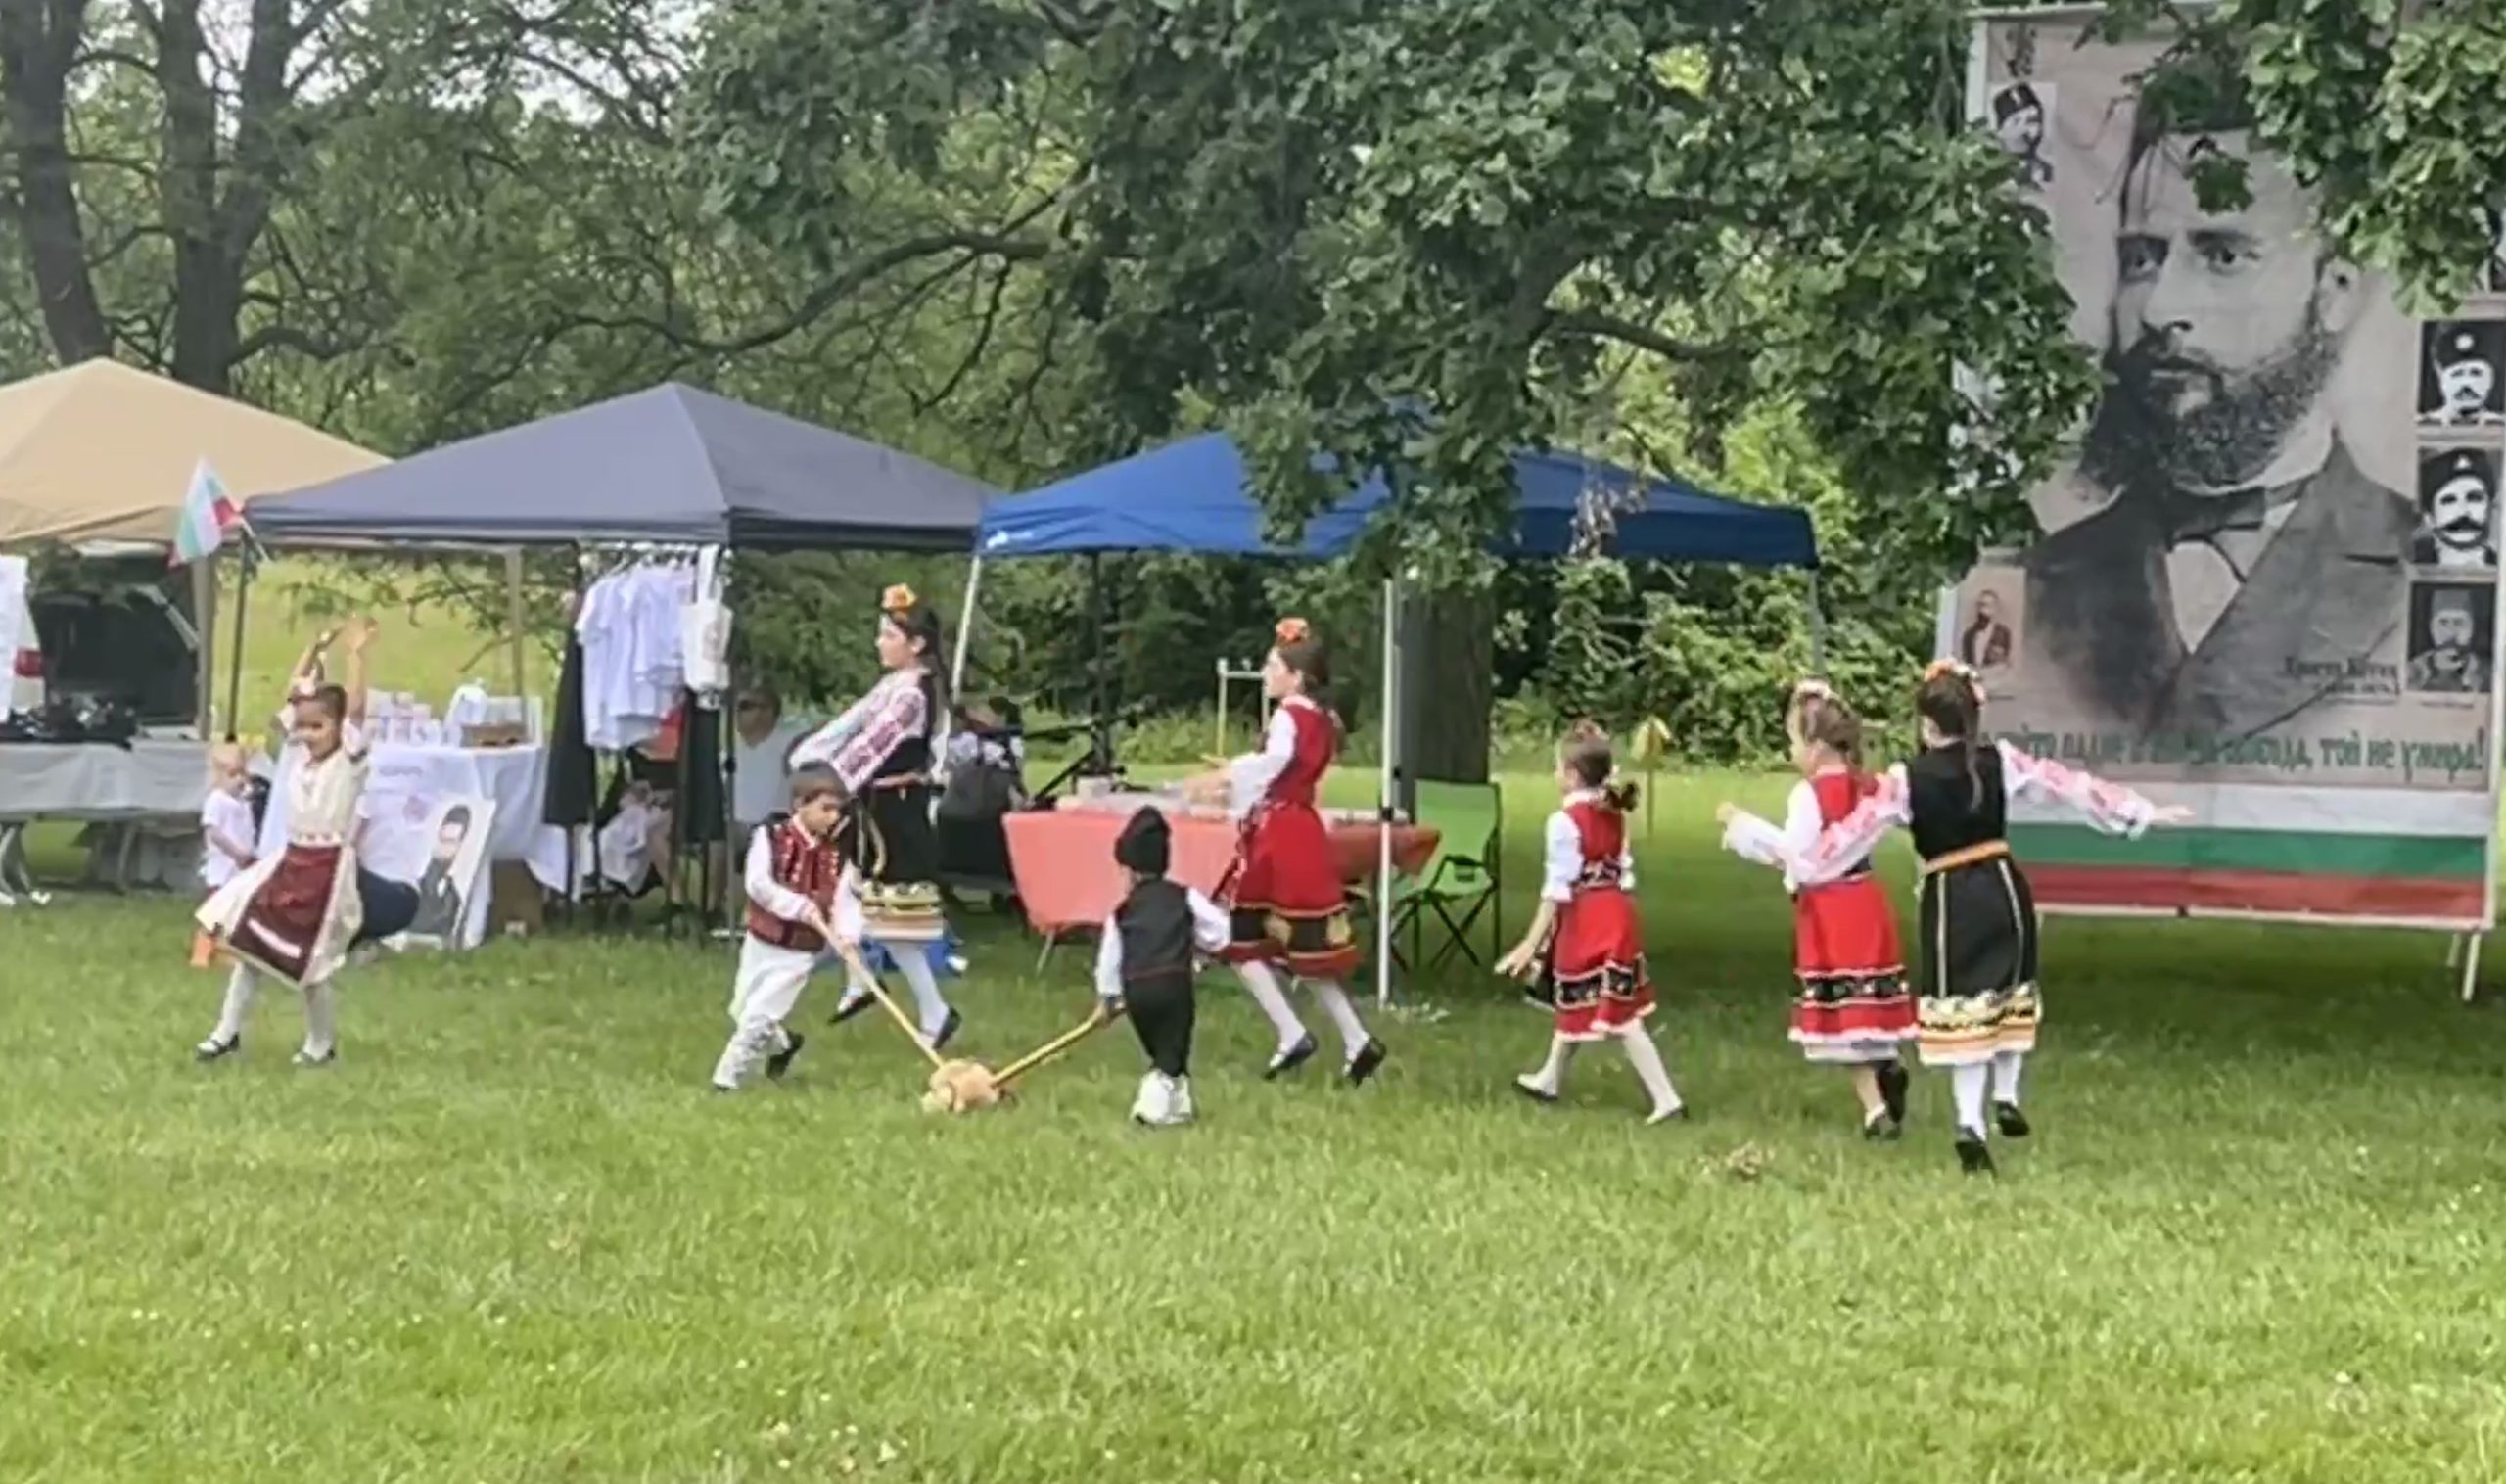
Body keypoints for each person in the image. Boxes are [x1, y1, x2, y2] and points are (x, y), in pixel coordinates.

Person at [2019, 113, 2414, 746]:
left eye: (2223, 256)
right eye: (2142, 260)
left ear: (2335, 290)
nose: (2159, 308)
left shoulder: (2421, 564)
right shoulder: (2048, 575)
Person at [1774, 662, 2186, 1175]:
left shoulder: (1907, 779)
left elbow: (1853, 833)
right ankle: (2005, 1095)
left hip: (1951, 896)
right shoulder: (2000, 761)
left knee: (1962, 1008)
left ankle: (1970, 1123)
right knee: (2010, 994)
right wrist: (2139, 811)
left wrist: (1802, 864)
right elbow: (2066, 786)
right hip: (2003, 885)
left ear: (1927, 723)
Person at [194, 621, 416, 1066]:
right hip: (291, 861)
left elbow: (355, 708)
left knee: (312, 961)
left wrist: (355, 655)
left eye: (318, 727)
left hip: (327, 869)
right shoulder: (299, 753)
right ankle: (226, 1033)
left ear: (336, 727)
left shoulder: (348, 759)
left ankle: (321, 1043)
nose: (309, 734)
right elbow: (294, 693)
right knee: (249, 943)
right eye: (304, 727)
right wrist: (313, 649)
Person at [1184, 618, 1386, 1084]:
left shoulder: (1288, 716)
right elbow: (1289, 768)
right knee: (1305, 946)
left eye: (1272, 666)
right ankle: (1355, 1040)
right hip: (1300, 830)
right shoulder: (1321, 718)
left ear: (1296, 677)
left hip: (1279, 836)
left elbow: (1273, 764)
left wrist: (1227, 775)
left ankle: (1294, 1033)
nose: (1265, 672)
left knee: (1242, 938)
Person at [1718, 682, 1914, 1139]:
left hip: (1831, 911)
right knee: (1869, 997)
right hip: (1867, 898)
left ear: (1816, 746)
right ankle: (1888, 1061)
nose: (1790, 752)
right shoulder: (1870, 786)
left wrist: (1741, 825)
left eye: (1793, 741)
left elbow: (1798, 854)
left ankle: (1874, 1110)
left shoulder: (1808, 795)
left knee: (1842, 1009)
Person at [794, 584, 963, 1049]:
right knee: (849, 893)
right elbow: (852, 722)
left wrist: (827, 781)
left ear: (917, 644)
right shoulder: (896, 686)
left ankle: (930, 1009)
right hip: (878, 808)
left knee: (891, 920)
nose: (879, 643)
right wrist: (811, 752)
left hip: (896, 814)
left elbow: (873, 745)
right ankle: (861, 980)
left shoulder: (913, 695)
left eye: (889, 635)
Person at [1495, 723, 1684, 1123]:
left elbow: (1557, 888)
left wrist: (1530, 943)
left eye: (1557, 768)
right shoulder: (1613, 813)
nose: (1554, 775)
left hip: (1589, 921)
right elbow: (1623, 872)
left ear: (1571, 775)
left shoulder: (1563, 822)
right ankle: (1550, 1077)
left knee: (1621, 1016)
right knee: (1580, 998)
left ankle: (1666, 1097)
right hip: (1616, 912)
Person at [712, 765, 865, 1092]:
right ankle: (784, 1044)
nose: (833, 818)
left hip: (799, 951)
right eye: (825, 809)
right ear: (799, 804)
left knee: (759, 1017)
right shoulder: (770, 837)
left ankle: (725, 1081)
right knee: (741, 1010)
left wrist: (848, 938)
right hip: (761, 939)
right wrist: (798, 906)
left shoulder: (839, 855)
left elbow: (847, 902)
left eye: (837, 810)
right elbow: (758, 884)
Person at [1092, 807, 1230, 1127]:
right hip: (1173, 985)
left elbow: (1109, 958)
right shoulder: (1184, 896)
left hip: (1136, 989)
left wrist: (1107, 998)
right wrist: (1210, 951)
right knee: (1172, 1049)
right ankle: (1151, 1106)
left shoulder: (1122, 911)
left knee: (1165, 1047)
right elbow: (1220, 931)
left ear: (1131, 872)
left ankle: (1179, 1104)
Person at [2413, 450, 2499, 569]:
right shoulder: (2411, 572)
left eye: (2474, 498)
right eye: (2449, 501)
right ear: (2429, 518)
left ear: (2490, 509)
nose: (2463, 511)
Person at [406, 804, 473, 942]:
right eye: (442, 840)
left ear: (461, 844)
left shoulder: (456, 887)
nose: (443, 848)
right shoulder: (424, 879)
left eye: (451, 842)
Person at [2408, 589, 2491, 694]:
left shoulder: (2489, 675)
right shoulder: (2411, 672)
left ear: (2471, 629)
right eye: (2443, 622)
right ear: (2431, 628)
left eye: (2459, 623)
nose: (2450, 632)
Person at [2425, 327, 2502, 427]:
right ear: (2441, 377)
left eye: (2475, 373)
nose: (2466, 383)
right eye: (2457, 374)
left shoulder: (2499, 425)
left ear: (2490, 378)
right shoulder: (2425, 424)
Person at [1991, 81, 2053, 188]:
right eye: (2017, 121)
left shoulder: (2048, 171)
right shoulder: (1998, 179)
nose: (2033, 129)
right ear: (2000, 132)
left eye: (2035, 119)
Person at [1960, 590, 2014, 669]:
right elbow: (1966, 662)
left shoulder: (2003, 633)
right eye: (1980, 605)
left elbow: (2006, 663)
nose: (1982, 610)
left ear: (1994, 609)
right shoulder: (1969, 635)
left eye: (1987, 606)